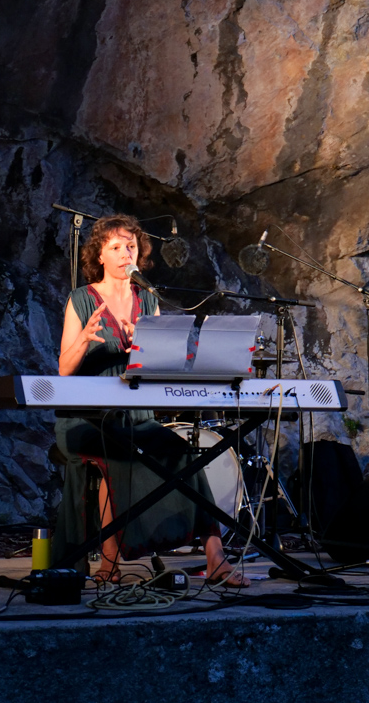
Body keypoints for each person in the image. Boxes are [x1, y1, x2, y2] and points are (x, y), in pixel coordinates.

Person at [52, 213, 246, 584]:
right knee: (118, 456)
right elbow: (64, 369)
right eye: (115, 247)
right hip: (87, 416)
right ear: (100, 256)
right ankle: (109, 563)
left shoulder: (147, 300)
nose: (125, 253)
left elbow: (158, 368)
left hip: (136, 415)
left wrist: (145, 347)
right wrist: (85, 339)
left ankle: (216, 558)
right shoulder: (81, 299)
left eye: (131, 246)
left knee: (183, 454)